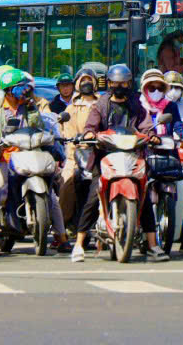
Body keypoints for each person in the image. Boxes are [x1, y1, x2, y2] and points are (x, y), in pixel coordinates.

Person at [80, 64, 168, 262]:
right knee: (93, 197)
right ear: (109, 84)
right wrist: (89, 134)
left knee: (143, 196)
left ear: (129, 83)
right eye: (115, 83)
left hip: (133, 156)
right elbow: (91, 125)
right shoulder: (101, 105)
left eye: (124, 83)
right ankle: (79, 243)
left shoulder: (137, 105)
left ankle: (153, 245)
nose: (119, 86)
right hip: (104, 157)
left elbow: (146, 125)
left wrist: (151, 135)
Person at [0, 69, 68, 254]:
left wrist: (31, 106)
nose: (22, 91)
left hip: (31, 154)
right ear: (8, 90)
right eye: (18, 89)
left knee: (50, 196)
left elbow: (38, 126)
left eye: (24, 88)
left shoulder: (29, 105)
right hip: (6, 158)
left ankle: (62, 236)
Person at [58, 69, 102, 260]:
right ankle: (63, 228)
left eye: (89, 80)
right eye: (82, 80)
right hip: (77, 154)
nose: (86, 83)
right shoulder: (71, 107)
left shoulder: (102, 102)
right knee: (66, 182)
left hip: (100, 152)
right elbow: (68, 134)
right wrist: (74, 154)